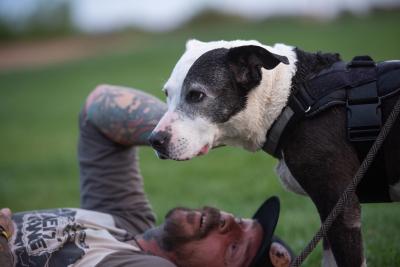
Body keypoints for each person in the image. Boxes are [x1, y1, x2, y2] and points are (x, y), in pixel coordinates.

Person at [0, 85, 293, 267]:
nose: (227, 221)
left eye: (233, 248)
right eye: (241, 222)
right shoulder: (126, 221)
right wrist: (190, 134)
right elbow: (99, 108)